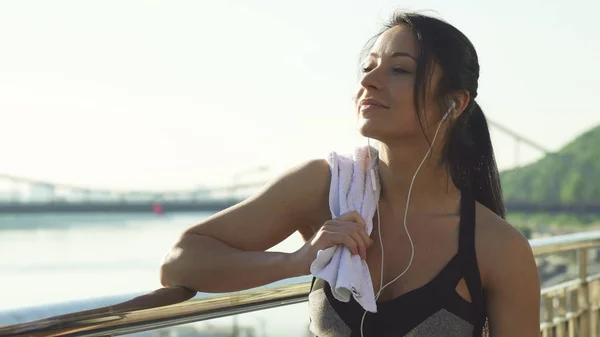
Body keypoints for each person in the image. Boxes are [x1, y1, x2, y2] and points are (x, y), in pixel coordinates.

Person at [160, 11, 540, 337]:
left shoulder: (498, 248)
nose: (368, 81)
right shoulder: (326, 188)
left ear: (455, 103)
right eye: (368, 67)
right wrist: (297, 261)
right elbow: (180, 261)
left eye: (400, 69)